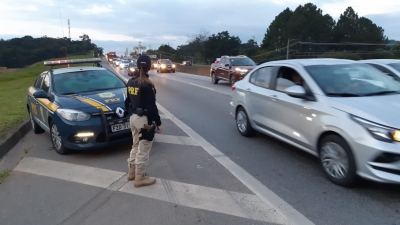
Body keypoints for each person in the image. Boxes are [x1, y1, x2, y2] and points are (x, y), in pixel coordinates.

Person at [125, 54, 162, 188]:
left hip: (133, 118)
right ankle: (140, 178)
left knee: (135, 145)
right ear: (149, 67)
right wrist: (158, 123)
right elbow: (152, 106)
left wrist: (132, 113)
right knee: (144, 148)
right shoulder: (147, 84)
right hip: (144, 121)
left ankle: (131, 173)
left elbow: (127, 102)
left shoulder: (130, 82)